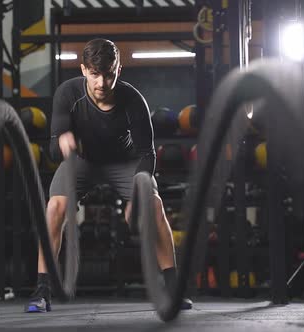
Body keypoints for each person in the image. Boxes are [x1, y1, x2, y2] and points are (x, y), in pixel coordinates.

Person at [24, 38, 192, 313]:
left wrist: (136, 198)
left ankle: (172, 288)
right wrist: (63, 143)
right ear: (83, 70)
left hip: (124, 162)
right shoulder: (68, 94)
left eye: (109, 74)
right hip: (82, 160)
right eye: (94, 74)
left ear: (118, 70)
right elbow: (54, 150)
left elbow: (147, 154)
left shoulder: (133, 99)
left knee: (154, 205)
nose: (102, 83)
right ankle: (42, 291)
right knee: (55, 206)